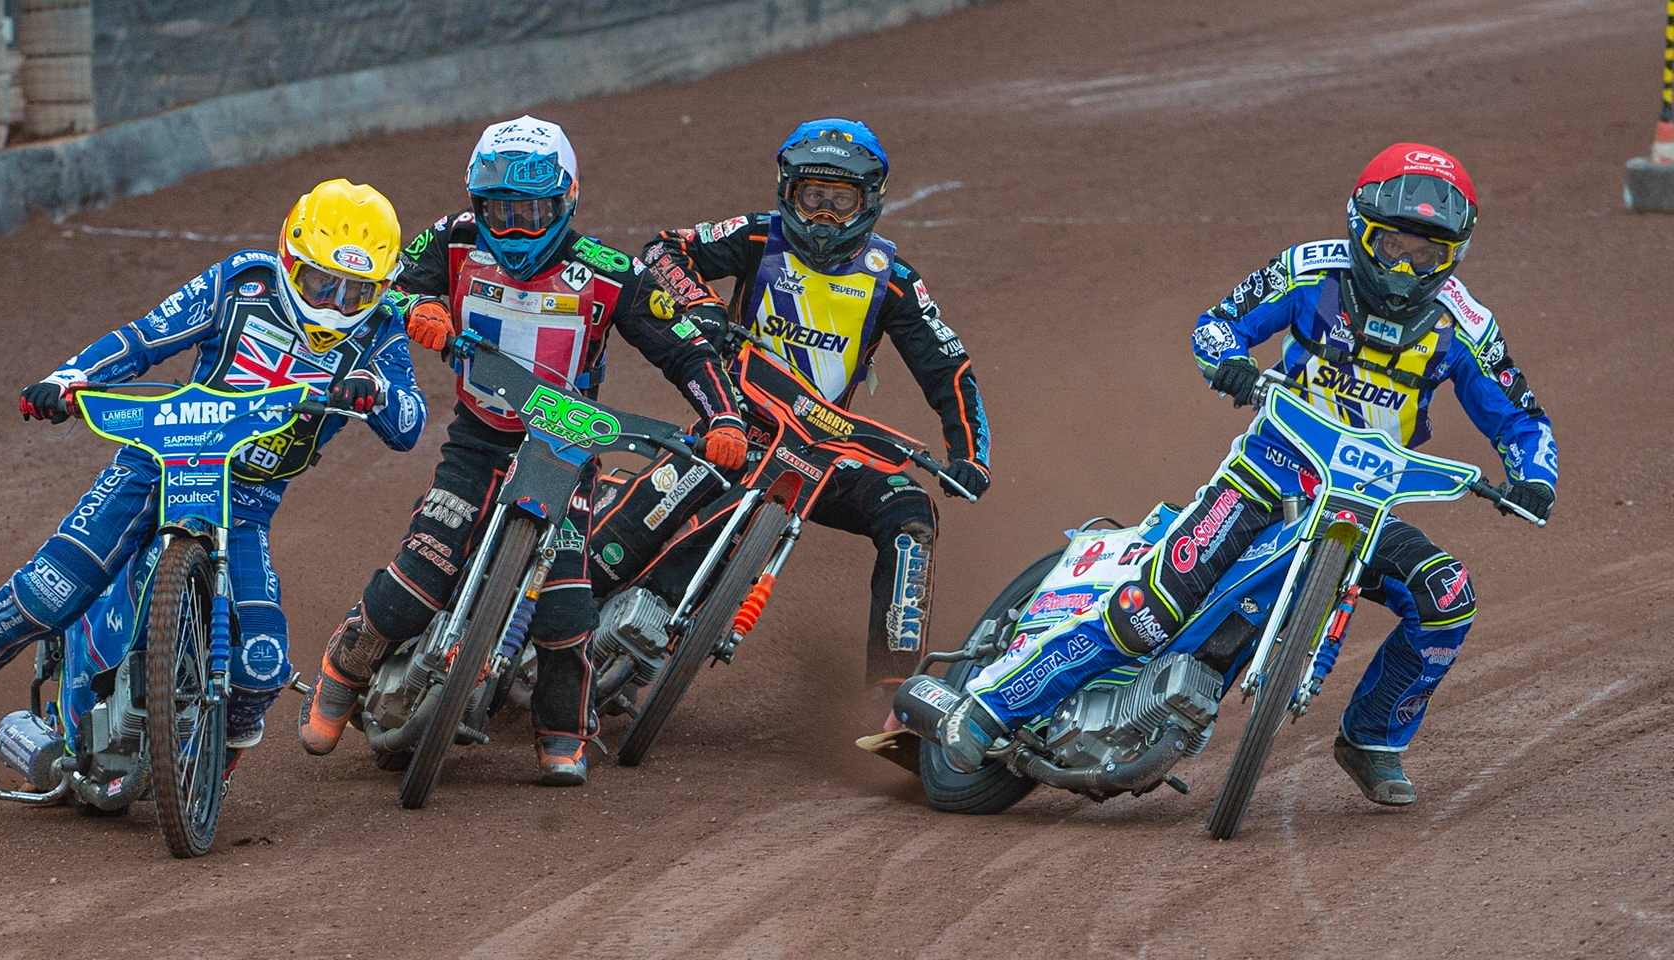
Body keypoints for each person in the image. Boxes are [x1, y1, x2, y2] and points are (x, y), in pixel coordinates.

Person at [939, 143, 1556, 806]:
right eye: (1393, 245)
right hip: (1267, 475)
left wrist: (1533, 478)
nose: (1406, 268)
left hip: (1365, 503)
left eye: (1428, 254)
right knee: (1152, 611)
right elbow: (1218, 323)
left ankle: (1373, 740)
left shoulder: (1468, 325)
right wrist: (1229, 361)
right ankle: (992, 703)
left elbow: (1521, 418)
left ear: (1454, 256)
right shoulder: (1308, 271)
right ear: (1359, 228)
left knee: (1448, 599)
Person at [0, 179, 429, 767]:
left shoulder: (382, 331)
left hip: (245, 502)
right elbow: (144, 338)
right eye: (321, 283)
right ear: (289, 259)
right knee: (54, 589)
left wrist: (376, 390)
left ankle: (206, 774)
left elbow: (409, 423)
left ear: (383, 287)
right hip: (157, 462)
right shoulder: (242, 281)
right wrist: (68, 379)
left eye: (356, 293)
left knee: (265, 660)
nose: (334, 303)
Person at [296, 116, 748, 786]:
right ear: (478, 204)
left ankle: (563, 734)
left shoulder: (611, 272)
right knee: (421, 572)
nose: (514, 227)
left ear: (567, 200)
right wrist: (419, 307)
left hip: (568, 451)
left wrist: (725, 417)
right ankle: (340, 673)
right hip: (478, 438)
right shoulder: (451, 239)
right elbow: (392, 280)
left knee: (567, 608)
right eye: (500, 211)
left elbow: (688, 349)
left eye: (532, 210)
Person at [593, 118, 991, 712]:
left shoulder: (896, 282)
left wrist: (970, 455)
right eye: (813, 197)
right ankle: (546, 614)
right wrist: (700, 305)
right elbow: (663, 249)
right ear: (788, 191)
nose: (824, 216)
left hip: (822, 453)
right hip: (731, 425)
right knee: (633, 527)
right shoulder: (757, 237)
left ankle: (894, 699)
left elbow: (949, 368)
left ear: (870, 200)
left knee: (911, 512)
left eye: (840, 201)